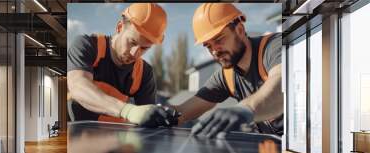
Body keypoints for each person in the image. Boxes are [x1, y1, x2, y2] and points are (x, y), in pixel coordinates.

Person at [173, 3, 283, 138]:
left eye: (219, 39)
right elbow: (184, 110)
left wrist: (245, 109)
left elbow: (281, 84)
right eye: (208, 46)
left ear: (240, 30)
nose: (214, 51)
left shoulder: (275, 46)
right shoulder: (227, 76)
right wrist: (162, 114)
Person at [67, 3, 175, 127]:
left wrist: (161, 117)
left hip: (116, 141)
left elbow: (148, 117)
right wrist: (128, 111)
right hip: (76, 137)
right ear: (119, 27)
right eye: (132, 42)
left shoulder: (144, 72)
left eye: (144, 48)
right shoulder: (87, 46)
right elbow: (78, 87)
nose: (135, 53)